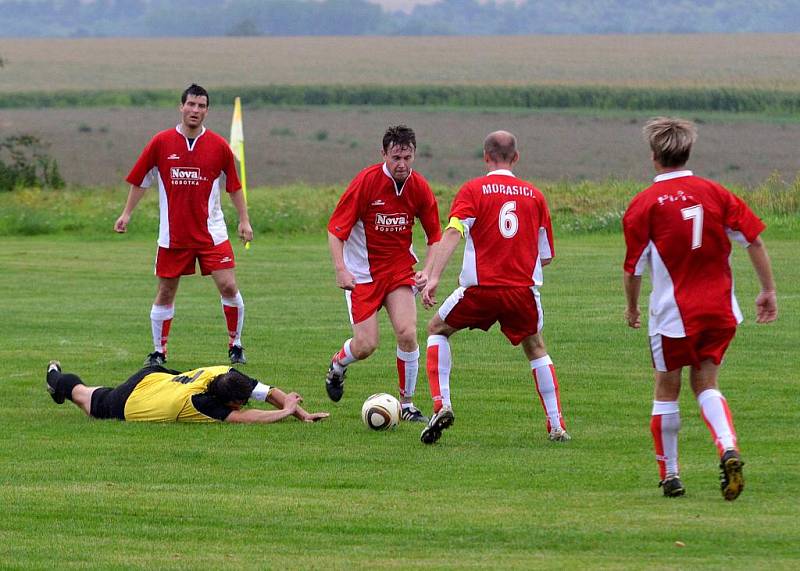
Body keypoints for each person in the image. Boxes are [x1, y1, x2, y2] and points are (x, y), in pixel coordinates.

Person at [622, 117, 778, 500]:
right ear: (688, 151)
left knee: (666, 387)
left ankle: (670, 474)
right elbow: (753, 241)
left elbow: (633, 268)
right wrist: (768, 290)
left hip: (673, 315)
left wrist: (631, 308)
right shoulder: (716, 193)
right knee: (706, 383)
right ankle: (727, 446)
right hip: (721, 310)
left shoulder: (645, 203)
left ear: (654, 156)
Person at [419, 130, 570, 445]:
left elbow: (453, 232)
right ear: (516, 157)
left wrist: (433, 276)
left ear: (486, 157)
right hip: (522, 291)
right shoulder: (534, 195)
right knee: (536, 347)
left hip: (481, 289)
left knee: (437, 329)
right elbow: (547, 256)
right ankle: (556, 424)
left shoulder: (473, 190)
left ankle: (441, 404)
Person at [114, 84, 253, 367]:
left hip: (211, 232)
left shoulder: (218, 146)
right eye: (191, 104)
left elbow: (234, 187)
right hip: (173, 234)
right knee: (166, 291)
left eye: (201, 106)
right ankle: (158, 351)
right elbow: (142, 179)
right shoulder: (161, 142)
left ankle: (235, 344)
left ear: (207, 111)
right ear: (181, 107)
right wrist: (126, 213)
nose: (195, 110)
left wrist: (244, 220)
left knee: (228, 285)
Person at [325, 125, 442, 422]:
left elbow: (435, 237)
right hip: (362, 274)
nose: (402, 164)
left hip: (398, 271)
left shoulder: (419, 187)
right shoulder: (366, 182)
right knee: (366, 346)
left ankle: (407, 404)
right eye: (396, 157)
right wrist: (341, 270)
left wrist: (428, 272)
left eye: (407, 157)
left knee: (407, 333)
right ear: (384, 155)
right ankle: (338, 365)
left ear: (414, 154)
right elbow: (335, 231)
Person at [45, 360, 328, 424]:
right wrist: (286, 410)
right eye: (238, 404)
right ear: (229, 402)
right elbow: (248, 418)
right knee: (86, 398)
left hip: (157, 376)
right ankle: (54, 376)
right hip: (132, 400)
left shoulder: (227, 374)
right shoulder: (202, 403)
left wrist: (301, 414)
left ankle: (58, 381)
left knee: (89, 393)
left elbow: (266, 392)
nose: (241, 406)